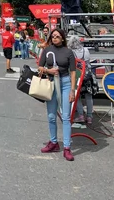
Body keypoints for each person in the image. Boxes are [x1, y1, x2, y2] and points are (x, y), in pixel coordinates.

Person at [38, 28, 76, 161]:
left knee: (65, 117)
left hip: (65, 83)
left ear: (63, 38)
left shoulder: (68, 52)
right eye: (53, 36)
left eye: (57, 36)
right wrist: (49, 70)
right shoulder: (47, 50)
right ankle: (53, 143)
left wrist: (72, 90)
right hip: (51, 83)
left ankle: (67, 147)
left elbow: (73, 72)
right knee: (51, 116)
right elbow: (40, 67)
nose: (54, 38)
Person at [67, 35, 96, 125]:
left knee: (77, 96)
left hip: (77, 76)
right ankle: (89, 116)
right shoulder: (86, 50)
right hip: (87, 76)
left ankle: (80, 115)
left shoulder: (70, 52)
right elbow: (88, 62)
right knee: (88, 96)